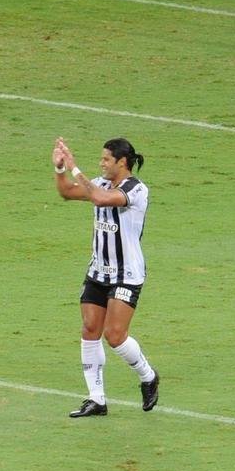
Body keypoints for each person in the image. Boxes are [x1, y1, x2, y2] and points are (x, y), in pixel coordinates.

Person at [52, 136, 159, 418]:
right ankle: (96, 399)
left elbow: (101, 199)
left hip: (127, 274)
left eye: (105, 159)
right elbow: (66, 192)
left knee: (114, 336)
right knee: (89, 329)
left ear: (122, 163)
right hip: (98, 270)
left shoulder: (136, 189)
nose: (101, 163)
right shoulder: (98, 183)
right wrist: (61, 168)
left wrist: (76, 169)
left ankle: (148, 376)